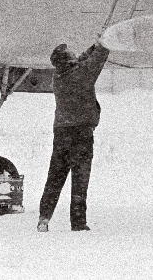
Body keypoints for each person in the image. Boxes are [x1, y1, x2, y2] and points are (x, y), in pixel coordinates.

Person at [38, 40, 109, 232]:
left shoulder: (59, 77)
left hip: (61, 132)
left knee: (55, 176)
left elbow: (84, 60)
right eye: (71, 54)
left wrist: (94, 46)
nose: (75, 55)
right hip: (81, 134)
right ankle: (78, 222)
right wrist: (104, 44)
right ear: (68, 60)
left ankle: (44, 218)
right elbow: (96, 60)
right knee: (80, 179)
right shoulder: (81, 75)